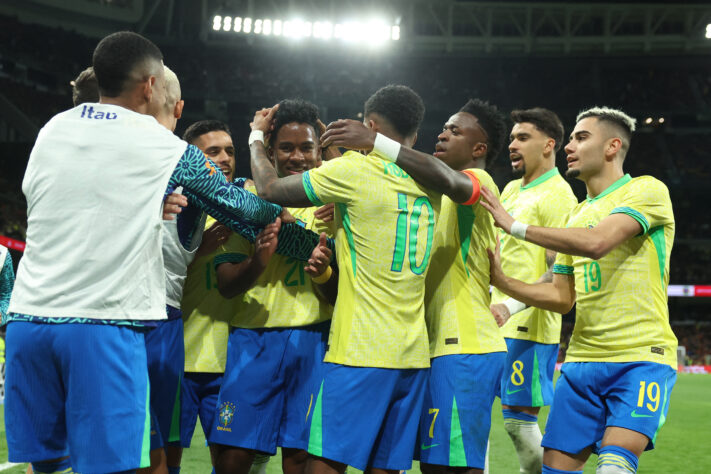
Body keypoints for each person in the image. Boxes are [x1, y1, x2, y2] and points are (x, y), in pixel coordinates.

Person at [3, 31, 296, 474]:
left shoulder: (52, 129)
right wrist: (280, 211)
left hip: (28, 324)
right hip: (100, 325)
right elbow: (240, 206)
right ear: (149, 85)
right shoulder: (163, 146)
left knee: (49, 466)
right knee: (117, 467)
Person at [248, 85, 439, 474]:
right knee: (385, 467)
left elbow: (269, 189)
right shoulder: (431, 181)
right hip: (413, 354)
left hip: (360, 350)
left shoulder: (353, 173)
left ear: (370, 126)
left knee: (323, 465)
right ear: (415, 133)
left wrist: (254, 137)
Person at [479, 107, 677, 474]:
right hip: (580, 363)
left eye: (581, 138)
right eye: (570, 138)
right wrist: (503, 283)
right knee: (553, 469)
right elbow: (561, 297)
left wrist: (514, 225)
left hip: (640, 358)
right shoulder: (576, 215)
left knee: (613, 466)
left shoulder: (646, 190)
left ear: (612, 146)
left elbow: (598, 242)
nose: (569, 146)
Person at [320, 99, 509, 474]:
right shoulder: (429, 192)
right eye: (444, 127)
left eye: (455, 130)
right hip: (432, 348)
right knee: (433, 466)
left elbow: (448, 180)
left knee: (454, 468)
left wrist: (376, 142)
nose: (443, 134)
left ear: (479, 148)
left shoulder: (477, 181)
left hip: (464, 345)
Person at [210, 99, 336, 474]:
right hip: (253, 339)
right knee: (233, 455)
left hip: (314, 339)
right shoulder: (247, 201)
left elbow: (340, 293)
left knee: (299, 457)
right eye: (286, 147)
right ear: (270, 151)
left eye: (306, 147)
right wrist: (257, 263)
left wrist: (323, 273)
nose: (297, 156)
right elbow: (226, 285)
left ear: (319, 152)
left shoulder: (335, 205)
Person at [489, 108, 578, 474]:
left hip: (527, 327)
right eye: (512, 138)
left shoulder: (559, 196)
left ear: (548, 145)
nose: (512, 144)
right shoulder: (511, 189)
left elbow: (558, 271)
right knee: (472, 414)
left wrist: (510, 306)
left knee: (517, 422)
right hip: (490, 321)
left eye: (523, 138)